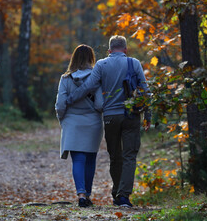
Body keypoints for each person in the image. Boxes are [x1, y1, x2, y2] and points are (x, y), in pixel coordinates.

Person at [66, 35, 151, 208]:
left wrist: (70, 99)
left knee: (115, 156)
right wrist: (148, 115)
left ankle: (116, 194)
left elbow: (88, 86)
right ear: (125, 50)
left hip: (111, 116)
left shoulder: (102, 64)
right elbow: (145, 90)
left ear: (109, 50)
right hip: (131, 115)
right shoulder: (133, 63)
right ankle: (123, 197)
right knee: (129, 156)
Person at [55, 44, 104, 208]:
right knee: (90, 160)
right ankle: (88, 195)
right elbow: (99, 104)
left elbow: (60, 104)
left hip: (72, 122)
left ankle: (81, 195)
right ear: (91, 58)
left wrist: (63, 120)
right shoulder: (96, 78)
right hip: (92, 123)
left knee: (78, 159)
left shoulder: (65, 78)